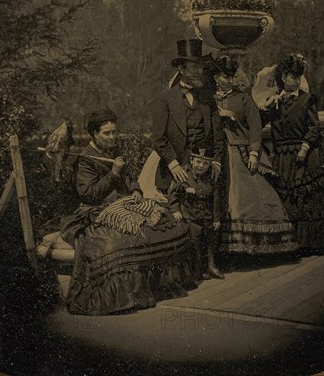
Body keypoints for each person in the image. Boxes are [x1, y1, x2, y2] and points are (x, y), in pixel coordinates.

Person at [60, 107, 198, 316]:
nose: (112, 136)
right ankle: (127, 295)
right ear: (94, 134)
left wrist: (135, 191)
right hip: (97, 210)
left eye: (114, 131)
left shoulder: (115, 151)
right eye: (107, 133)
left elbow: (131, 178)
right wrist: (113, 174)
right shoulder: (86, 159)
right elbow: (88, 194)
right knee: (122, 240)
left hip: (125, 203)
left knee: (165, 223)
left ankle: (158, 287)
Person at [261, 53, 324, 252]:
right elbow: (259, 124)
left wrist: (304, 148)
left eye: (298, 76)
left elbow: (314, 128)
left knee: (316, 197)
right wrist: (266, 107)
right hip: (283, 156)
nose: (296, 80)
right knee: (291, 198)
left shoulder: (307, 100)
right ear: (283, 77)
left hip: (307, 152)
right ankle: (297, 243)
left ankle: (318, 242)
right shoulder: (275, 102)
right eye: (292, 76)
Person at [210, 54, 298, 255]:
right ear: (216, 77)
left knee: (250, 198)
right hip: (217, 156)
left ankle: (256, 246)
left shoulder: (243, 98)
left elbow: (256, 127)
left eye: (232, 77)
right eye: (226, 76)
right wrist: (218, 114)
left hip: (240, 154)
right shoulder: (208, 100)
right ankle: (225, 248)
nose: (230, 80)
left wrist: (253, 153)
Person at [152, 38, 223, 193]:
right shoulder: (165, 99)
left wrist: (217, 161)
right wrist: (173, 164)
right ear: (181, 70)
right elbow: (158, 138)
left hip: (203, 173)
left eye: (200, 68)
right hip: (173, 173)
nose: (199, 72)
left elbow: (217, 134)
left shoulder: (208, 99)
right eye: (194, 68)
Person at [168, 145, 224, 279]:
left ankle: (211, 265)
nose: (201, 166)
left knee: (211, 240)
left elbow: (216, 199)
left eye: (205, 163)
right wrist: (175, 210)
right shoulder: (183, 176)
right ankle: (198, 269)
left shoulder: (211, 178)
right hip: (191, 217)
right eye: (198, 162)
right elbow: (172, 194)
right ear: (192, 160)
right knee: (196, 243)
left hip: (207, 216)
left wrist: (216, 218)